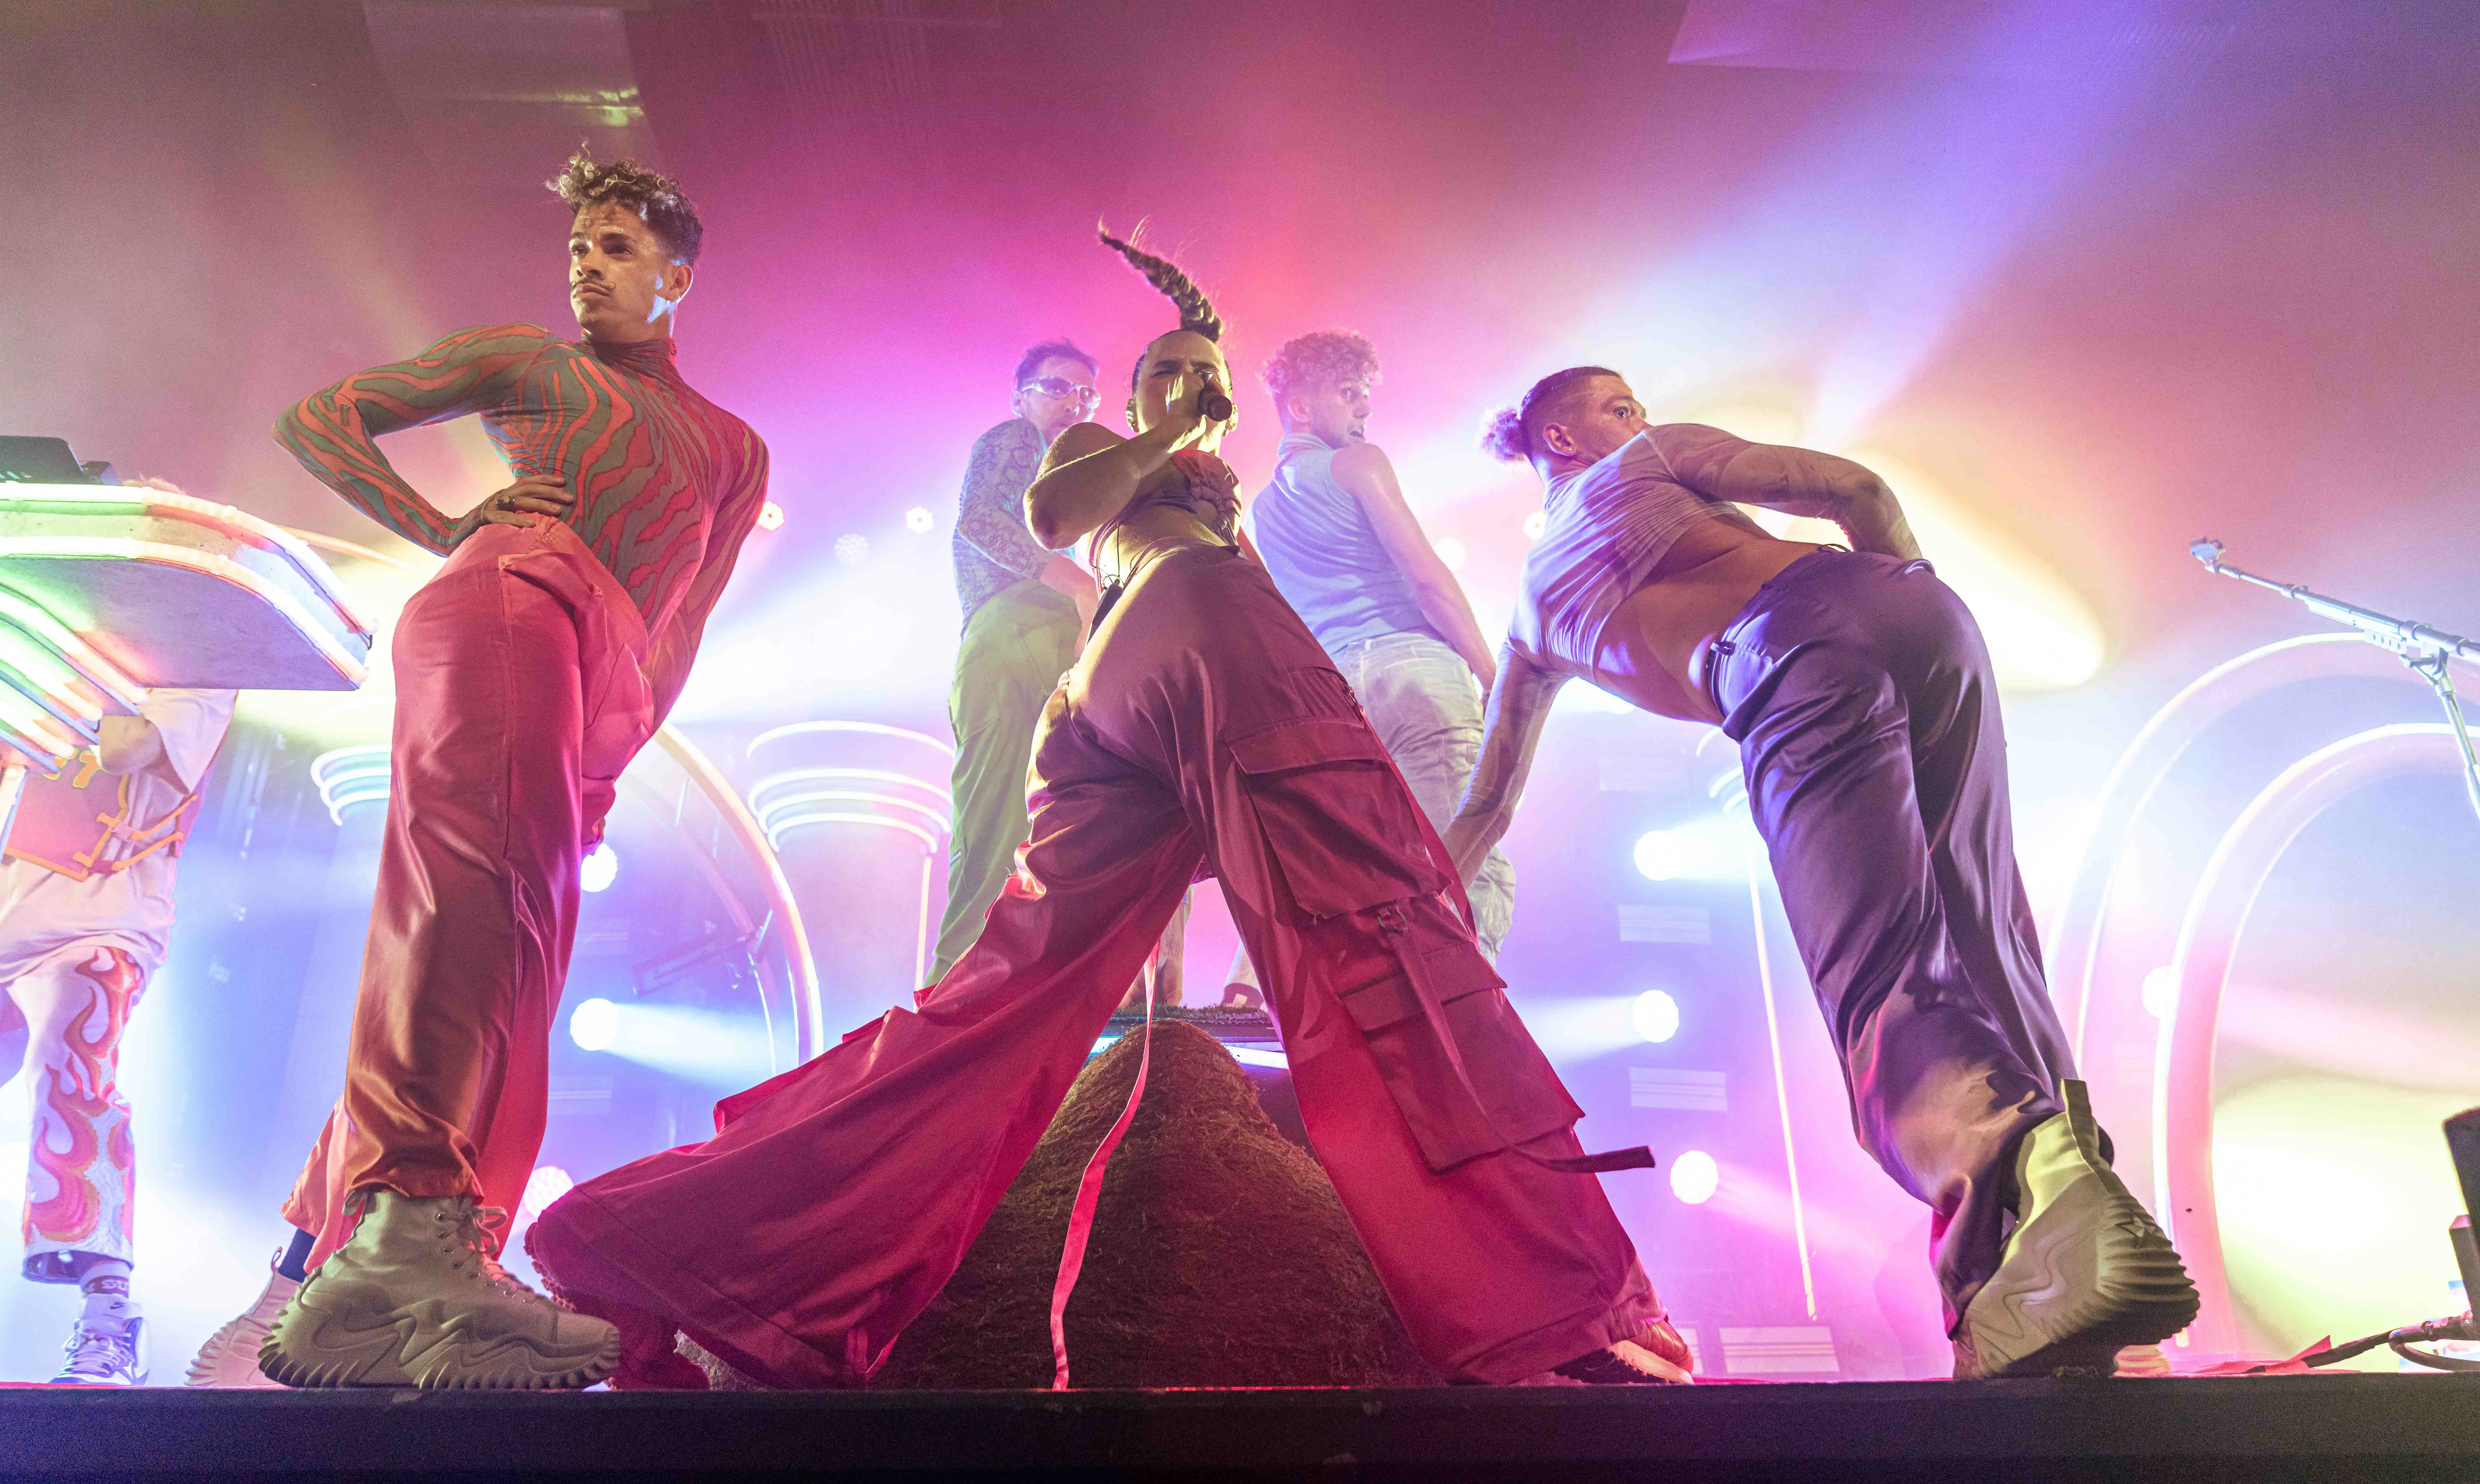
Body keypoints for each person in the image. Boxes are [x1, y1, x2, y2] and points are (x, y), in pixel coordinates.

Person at [523, 231, 1691, 1391]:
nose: (1193, 389)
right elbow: (1051, 514)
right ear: (1133, 392)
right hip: (1169, 631)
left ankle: (709, 1254)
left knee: (1004, 994)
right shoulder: (1111, 442)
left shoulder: (1231, 490)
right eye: (1167, 372)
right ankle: (1552, 1307)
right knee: (1380, 928)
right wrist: (1172, 436)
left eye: (1205, 379)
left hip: (1128, 688)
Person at [1444, 366, 2199, 1379]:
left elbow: (1485, 806)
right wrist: (1894, 615)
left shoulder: (1531, 626)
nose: (1643, 416)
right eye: (1618, 405)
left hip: (1785, 656)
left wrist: (1406, 904)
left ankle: (2040, 1210)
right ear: (1559, 439)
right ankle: (2073, 1265)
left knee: (1880, 976)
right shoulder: (1653, 462)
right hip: (1918, 614)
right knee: (1989, 936)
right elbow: (1857, 496)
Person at [194, 148, 768, 1392]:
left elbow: (686, 622)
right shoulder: (532, 359)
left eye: (618, 248)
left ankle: (325, 1258)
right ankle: (401, 1244)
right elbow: (319, 420)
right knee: (466, 906)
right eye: (580, 246)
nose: (588, 265)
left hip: (593, 673)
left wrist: (614, 746)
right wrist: (447, 527)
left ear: (679, 277)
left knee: (500, 944)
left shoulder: (733, 445)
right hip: (513, 594)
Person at [1243, 330, 1514, 988]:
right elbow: (1427, 579)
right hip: (1415, 674)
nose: (1364, 412)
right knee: (1465, 865)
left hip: (1332, 698)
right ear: (1301, 407)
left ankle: (1257, 1000)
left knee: (1352, 875)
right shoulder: (1361, 464)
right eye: (1348, 395)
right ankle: (1467, 1032)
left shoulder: (1261, 507)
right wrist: (1492, 673)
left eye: (1364, 396)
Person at [1, 682, 236, 1385]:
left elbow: (126, 746)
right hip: (13, 911)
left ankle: (110, 1315)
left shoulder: (200, 663)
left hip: (102, 922)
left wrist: (73, 673)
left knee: (69, 1067)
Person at [929, 341, 1103, 986]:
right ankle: (951, 998)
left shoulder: (1083, 483)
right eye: (1058, 387)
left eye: (1087, 395)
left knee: (1048, 835)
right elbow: (978, 519)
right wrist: (1076, 582)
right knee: (993, 829)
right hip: (1008, 640)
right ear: (1021, 396)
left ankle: (1010, 993)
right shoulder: (1014, 439)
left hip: (1056, 652)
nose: (1074, 404)